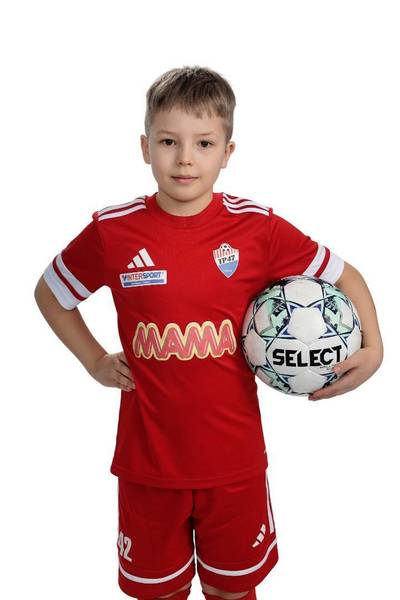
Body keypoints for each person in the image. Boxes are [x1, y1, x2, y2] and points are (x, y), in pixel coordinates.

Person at [34, 65, 384, 600]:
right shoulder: (112, 231)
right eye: (168, 141)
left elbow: (346, 276)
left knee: (233, 592)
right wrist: (94, 361)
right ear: (144, 146)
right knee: (158, 593)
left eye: (204, 143)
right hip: (148, 465)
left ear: (227, 152)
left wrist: (374, 349)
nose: (185, 158)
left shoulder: (258, 228)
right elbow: (51, 294)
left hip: (234, 464)